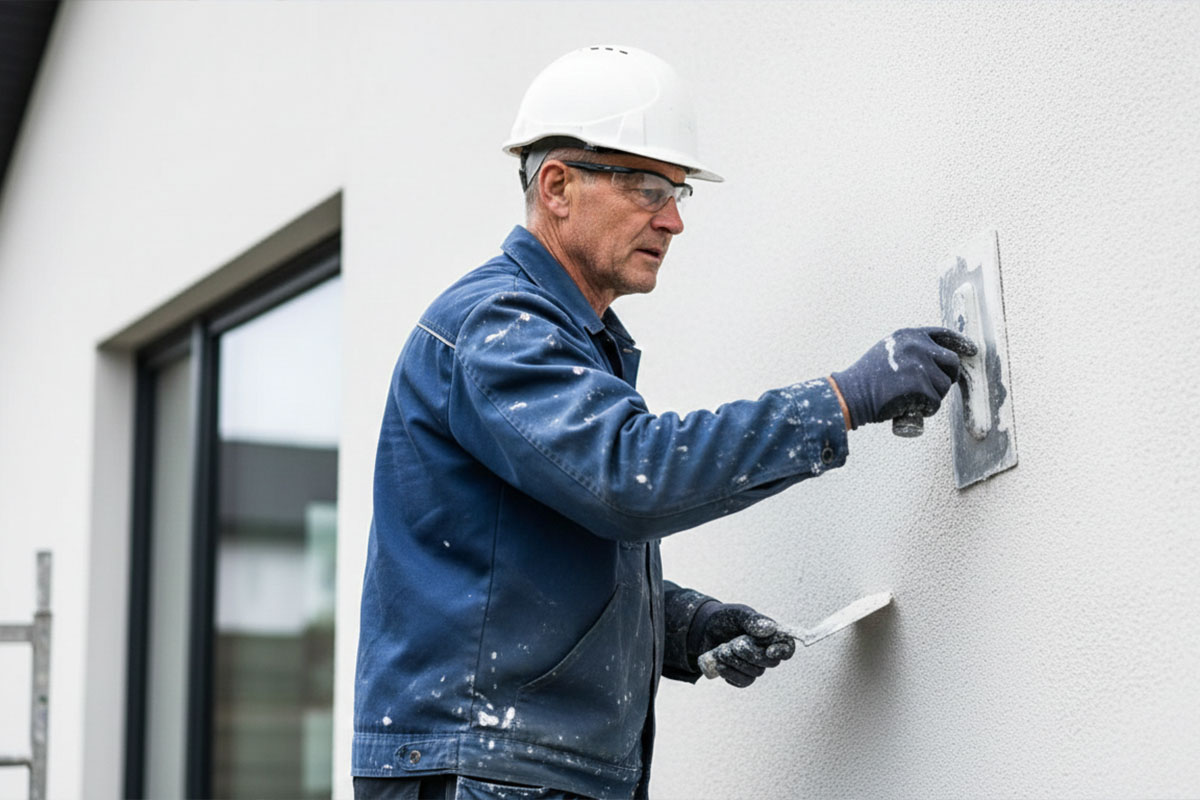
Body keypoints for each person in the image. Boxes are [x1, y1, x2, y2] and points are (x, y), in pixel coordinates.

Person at [352, 45, 974, 800]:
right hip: (486, 771)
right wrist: (841, 400)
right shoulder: (499, 325)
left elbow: (532, 561)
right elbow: (627, 476)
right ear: (557, 186)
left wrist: (687, 628)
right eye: (648, 188)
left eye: (678, 191)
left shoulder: (563, 336)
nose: (674, 219)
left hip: (519, 765)